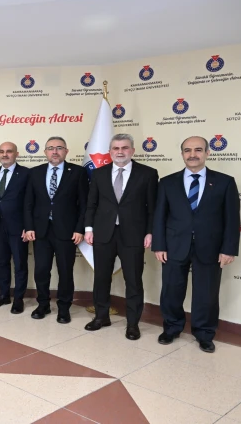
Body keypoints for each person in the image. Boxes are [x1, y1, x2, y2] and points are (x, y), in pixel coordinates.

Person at [152, 136, 240, 353]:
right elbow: (159, 216)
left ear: (207, 153)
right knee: (171, 290)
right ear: (182, 154)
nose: (193, 154)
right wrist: (159, 245)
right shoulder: (167, 182)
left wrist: (228, 249)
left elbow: (232, 219)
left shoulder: (225, 182)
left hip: (210, 247)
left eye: (198, 150)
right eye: (187, 150)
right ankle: (172, 328)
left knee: (206, 294)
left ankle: (204, 333)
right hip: (174, 246)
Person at [84, 134, 158, 340]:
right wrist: (89, 228)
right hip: (103, 234)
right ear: (110, 151)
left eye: (125, 148)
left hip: (134, 235)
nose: (120, 151)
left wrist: (150, 232)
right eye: (116, 148)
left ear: (132, 151)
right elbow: (92, 204)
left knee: (133, 280)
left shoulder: (148, 174)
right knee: (101, 278)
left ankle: (132, 323)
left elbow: (152, 208)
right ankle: (101, 317)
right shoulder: (99, 174)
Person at [23, 137, 88, 323]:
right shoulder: (35, 173)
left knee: (65, 271)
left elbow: (84, 205)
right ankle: (43, 304)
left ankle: (64, 308)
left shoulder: (78, 172)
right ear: (45, 152)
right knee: (41, 270)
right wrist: (29, 227)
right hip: (41, 231)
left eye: (59, 148)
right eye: (51, 148)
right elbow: (28, 203)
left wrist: (80, 229)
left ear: (66, 151)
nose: (55, 151)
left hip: (67, 232)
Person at [0, 142, 30, 314]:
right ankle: (4, 295)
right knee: (1, 262)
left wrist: (28, 226)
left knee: (20, 264)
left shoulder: (26, 173)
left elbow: (30, 202)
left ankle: (18, 299)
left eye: (9, 151)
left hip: (19, 228)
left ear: (16, 154)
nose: (5, 154)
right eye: (1, 151)